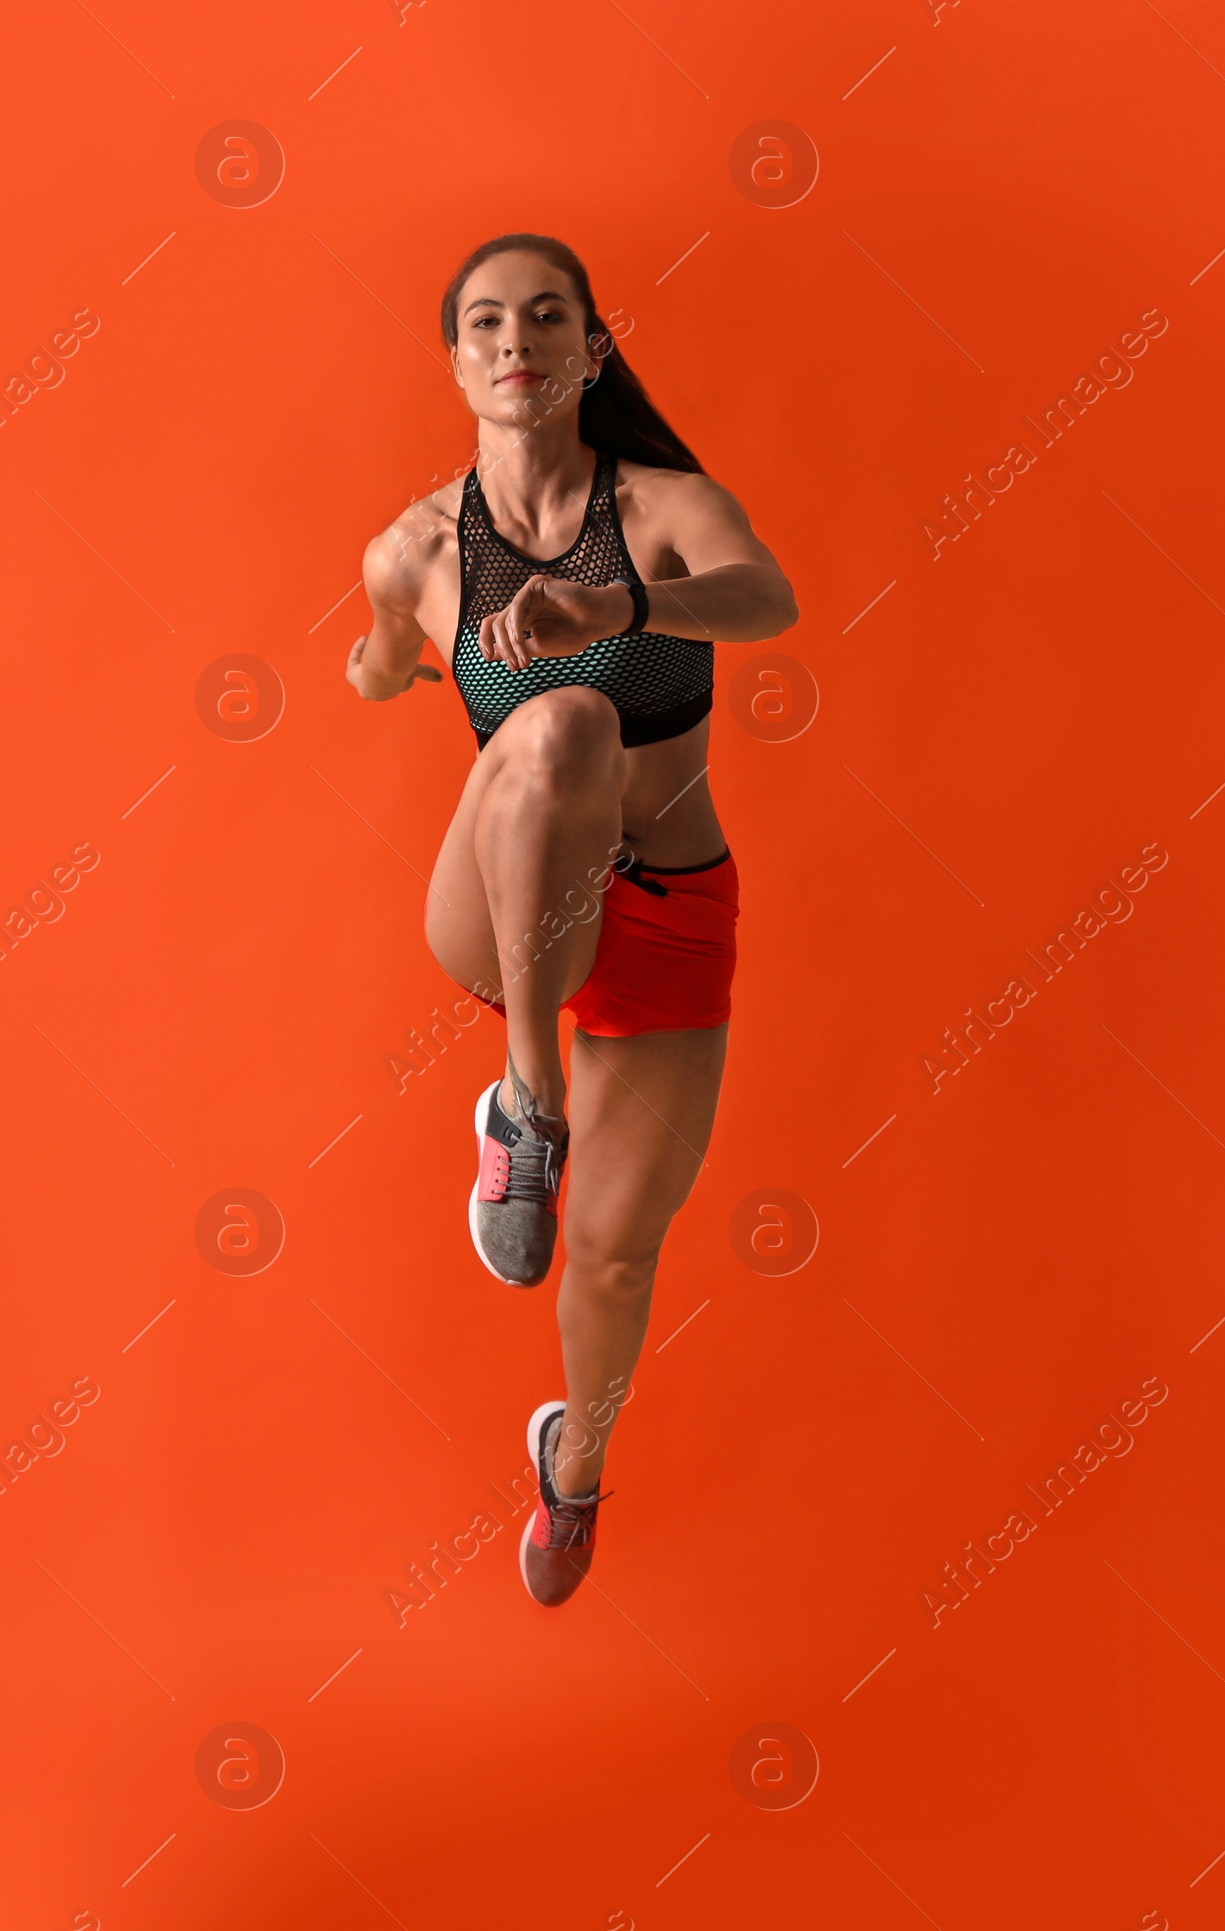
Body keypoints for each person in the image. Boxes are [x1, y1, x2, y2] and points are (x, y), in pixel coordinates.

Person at [346, 233, 798, 1607]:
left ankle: (576, 1467)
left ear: (591, 351)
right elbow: (375, 670)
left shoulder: (662, 508)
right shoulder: (416, 548)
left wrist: (624, 600)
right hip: (511, 908)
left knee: (608, 1249)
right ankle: (523, 1104)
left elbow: (770, 598)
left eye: (548, 317)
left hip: (663, 914)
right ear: (457, 362)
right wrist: (383, 660)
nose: (516, 340)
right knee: (564, 723)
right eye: (486, 322)